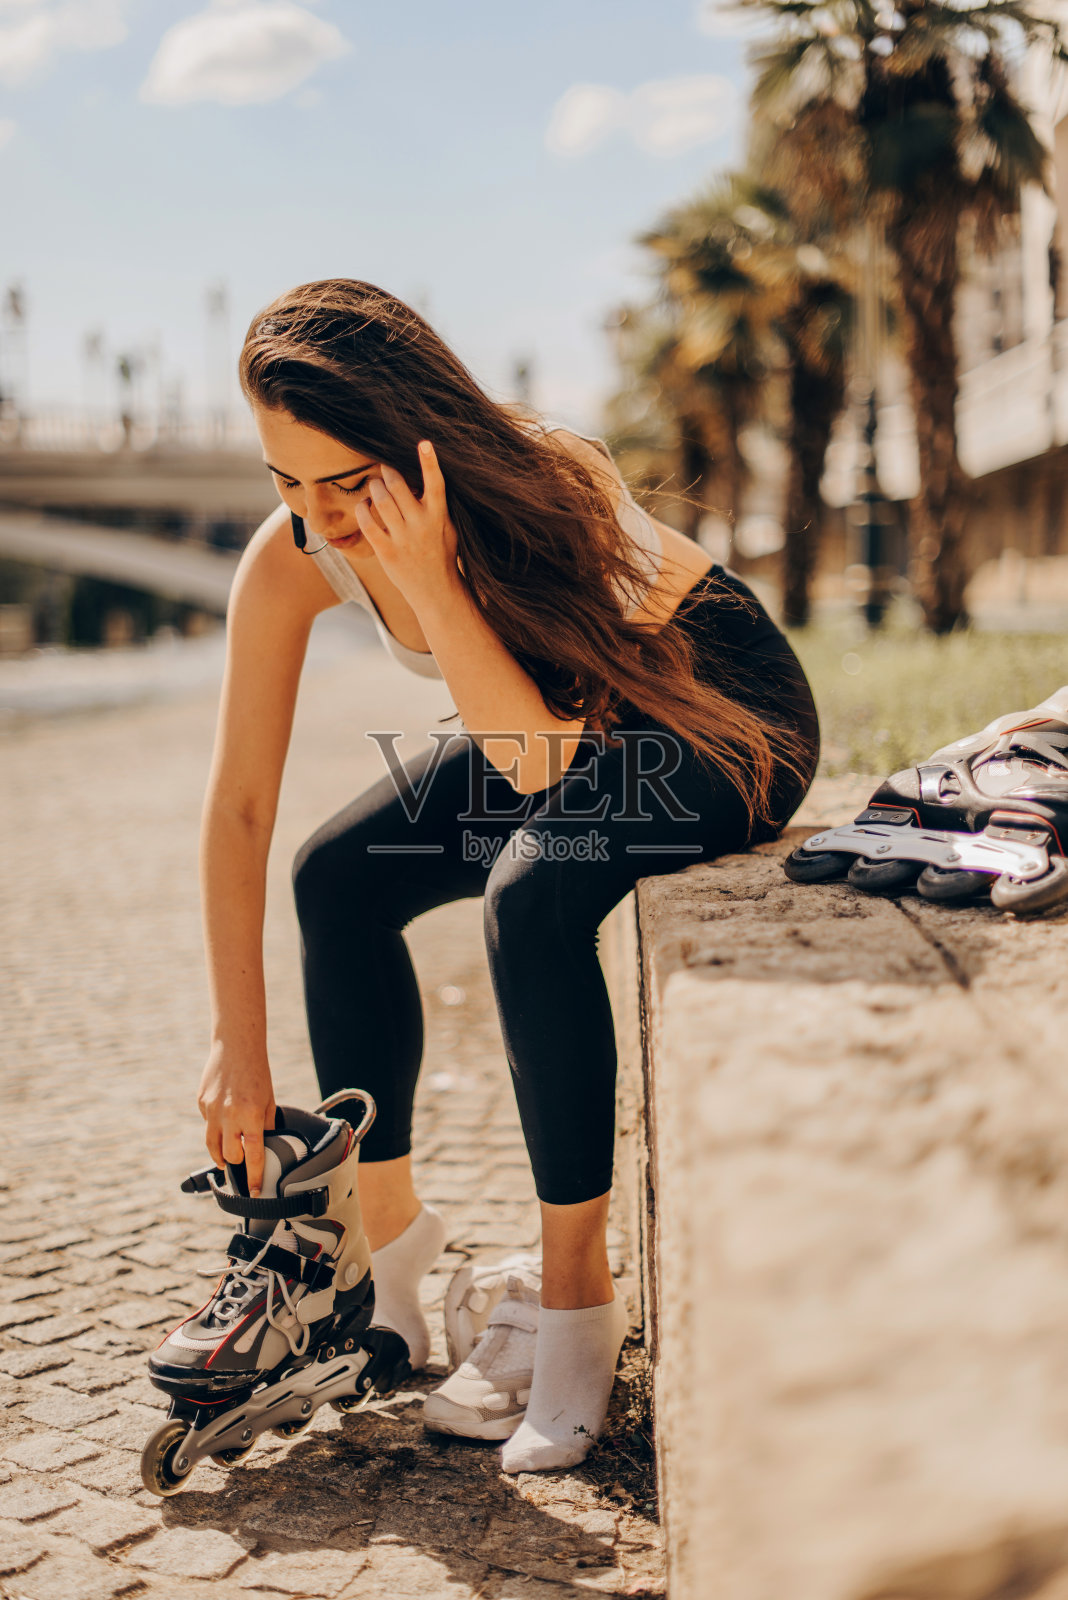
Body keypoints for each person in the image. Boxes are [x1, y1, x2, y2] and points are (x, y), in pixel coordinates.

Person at [195, 278, 820, 1474]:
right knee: (337, 875)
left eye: (345, 482)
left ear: (409, 441)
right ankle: (390, 1252)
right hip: (567, 727)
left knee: (533, 893)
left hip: (725, 719)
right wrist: (240, 1045)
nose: (317, 519)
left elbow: (537, 771)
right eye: (284, 482)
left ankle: (581, 1309)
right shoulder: (296, 549)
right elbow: (238, 807)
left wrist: (433, 576)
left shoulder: (548, 475)